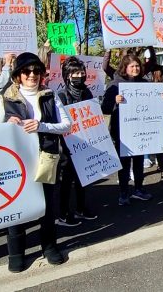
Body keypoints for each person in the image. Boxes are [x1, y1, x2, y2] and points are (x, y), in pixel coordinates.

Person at [0, 52, 71, 272]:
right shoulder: (6, 98)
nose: (32, 75)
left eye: (37, 70)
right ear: (18, 75)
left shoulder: (50, 95)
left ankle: (49, 247)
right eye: (27, 71)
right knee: (17, 206)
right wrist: (8, 124)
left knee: (46, 206)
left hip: (45, 158)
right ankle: (16, 252)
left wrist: (41, 125)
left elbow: (67, 125)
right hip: (16, 161)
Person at [101, 54, 159, 205]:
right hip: (122, 131)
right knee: (124, 163)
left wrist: (161, 97)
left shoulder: (145, 83)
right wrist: (115, 101)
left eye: (137, 66)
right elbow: (105, 108)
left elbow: (153, 105)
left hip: (140, 130)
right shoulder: (114, 84)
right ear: (125, 68)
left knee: (139, 161)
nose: (135, 68)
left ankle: (139, 189)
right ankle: (124, 192)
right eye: (132, 66)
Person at [55, 56, 97, 226]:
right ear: (67, 76)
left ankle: (80, 209)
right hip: (68, 145)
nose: (79, 76)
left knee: (83, 178)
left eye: (81, 72)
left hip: (85, 143)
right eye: (75, 73)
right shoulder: (62, 96)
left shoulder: (87, 92)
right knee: (66, 180)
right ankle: (63, 214)